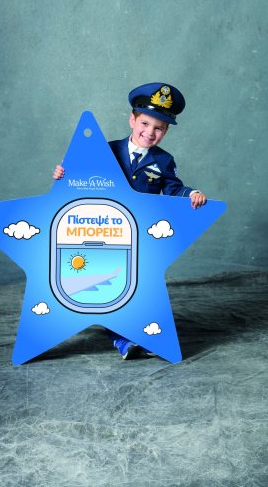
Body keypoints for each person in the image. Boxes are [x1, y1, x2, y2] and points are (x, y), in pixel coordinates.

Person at [53, 82, 207, 359]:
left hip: (136, 236)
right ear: (132, 120)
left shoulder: (164, 161)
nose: (150, 132)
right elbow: (80, 174)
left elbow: (173, 190)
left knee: (137, 286)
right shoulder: (107, 150)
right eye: (145, 123)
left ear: (166, 131)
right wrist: (63, 173)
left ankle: (142, 333)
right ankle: (122, 338)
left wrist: (191, 194)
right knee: (109, 284)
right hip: (101, 231)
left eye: (159, 128)